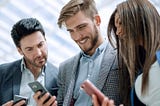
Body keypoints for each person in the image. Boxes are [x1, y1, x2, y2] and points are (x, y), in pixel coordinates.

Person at [33, 0, 128, 106]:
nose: (77, 36)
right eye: (71, 31)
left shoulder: (123, 55)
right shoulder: (65, 68)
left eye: (81, 27)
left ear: (97, 20)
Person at [93, 0, 160, 105]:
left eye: (120, 23)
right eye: (116, 27)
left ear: (140, 18)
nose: (117, 32)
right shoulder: (141, 71)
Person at [0, 18, 58, 106]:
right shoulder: (2, 73)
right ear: (20, 51)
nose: (38, 53)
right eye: (30, 49)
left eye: (40, 45)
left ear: (45, 40)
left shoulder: (60, 78)